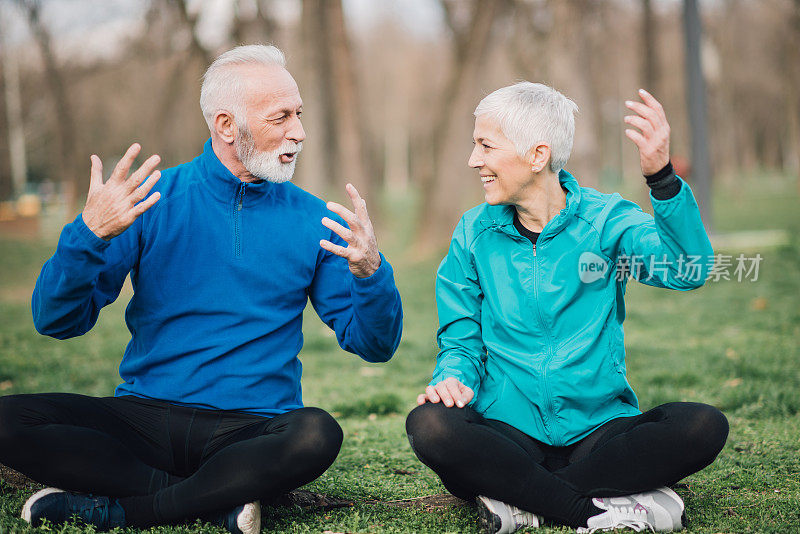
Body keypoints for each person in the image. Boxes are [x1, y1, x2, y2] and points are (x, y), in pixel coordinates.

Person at [0, 44, 403, 534]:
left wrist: (371, 272)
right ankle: (217, 497)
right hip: (144, 418)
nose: (299, 131)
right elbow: (56, 320)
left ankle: (127, 510)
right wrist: (88, 234)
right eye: (281, 117)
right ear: (227, 126)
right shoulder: (150, 200)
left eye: (299, 114)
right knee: (7, 418)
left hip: (252, 428)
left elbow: (375, 345)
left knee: (317, 432)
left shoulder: (314, 218)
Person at [405, 82, 727, 533]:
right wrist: (452, 378)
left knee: (702, 425)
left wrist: (662, 180)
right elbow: (460, 337)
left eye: (485, 146)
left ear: (538, 156)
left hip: (598, 431)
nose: (474, 160)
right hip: (507, 430)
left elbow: (687, 269)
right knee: (430, 425)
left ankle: (522, 499)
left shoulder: (606, 221)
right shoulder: (473, 233)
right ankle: (593, 508)